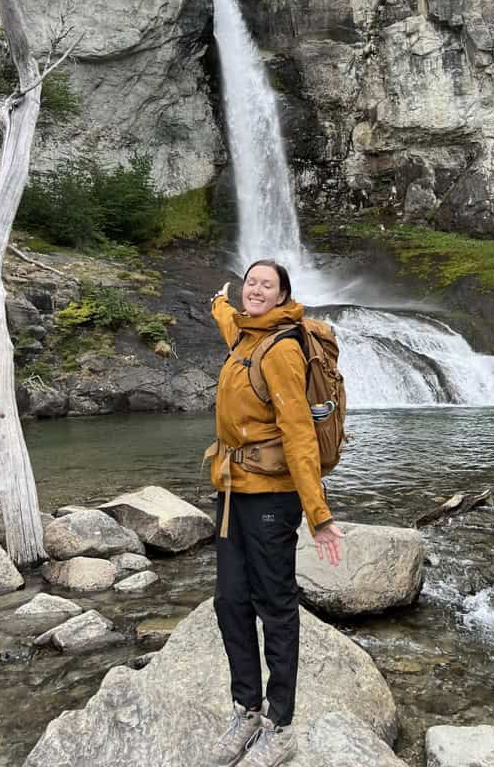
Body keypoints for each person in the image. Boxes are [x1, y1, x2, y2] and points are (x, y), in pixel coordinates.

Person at [206, 259, 344, 767]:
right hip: (231, 492)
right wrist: (218, 303)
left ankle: (279, 723)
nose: (256, 290)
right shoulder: (242, 334)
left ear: (283, 294)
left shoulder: (281, 349)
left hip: (271, 497)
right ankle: (246, 708)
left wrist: (319, 514)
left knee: (275, 608)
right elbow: (227, 318)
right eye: (251, 283)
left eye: (267, 284)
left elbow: (300, 435)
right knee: (230, 602)